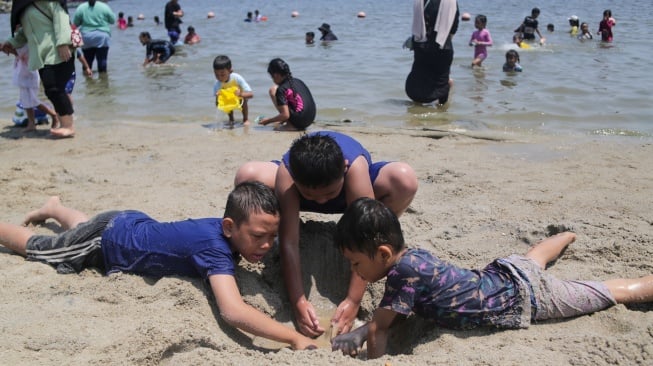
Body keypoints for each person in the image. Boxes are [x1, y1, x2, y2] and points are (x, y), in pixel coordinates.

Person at [0, 182, 318, 351]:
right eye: (259, 236)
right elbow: (233, 311)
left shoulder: (225, 233)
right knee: (39, 248)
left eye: (272, 237)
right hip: (109, 242)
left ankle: (55, 207)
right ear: (229, 227)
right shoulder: (215, 249)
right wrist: (292, 338)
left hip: (128, 222)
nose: (266, 245)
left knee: (85, 227)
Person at [331, 198, 653, 360]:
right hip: (503, 273)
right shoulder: (414, 259)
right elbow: (395, 313)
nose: (356, 273)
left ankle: (643, 283)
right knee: (532, 259)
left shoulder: (402, 276)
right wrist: (361, 331)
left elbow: (380, 328)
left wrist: (372, 355)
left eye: (356, 263)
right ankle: (565, 236)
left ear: (384, 254)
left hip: (524, 297)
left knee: (611, 292)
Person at [234, 131, 418, 338]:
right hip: (300, 192)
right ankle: (291, 211)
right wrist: (298, 301)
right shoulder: (289, 174)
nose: (321, 201)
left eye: (328, 194)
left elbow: (365, 238)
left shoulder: (354, 169)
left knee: (404, 178)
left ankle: (380, 222)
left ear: (345, 168)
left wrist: (353, 300)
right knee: (247, 175)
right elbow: (290, 243)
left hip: (348, 194)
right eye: (313, 196)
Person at [3, 0, 76, 138]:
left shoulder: (49, 2)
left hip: (58, 50)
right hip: (41, 55)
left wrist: (62, 42)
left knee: (54, 88)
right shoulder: (24, 8)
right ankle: (64, 124)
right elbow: (25, 33)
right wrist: (10, 42)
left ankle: (68, 126)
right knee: (51, 89)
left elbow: (61, 18)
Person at [405, 0, 459, 105]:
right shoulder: (451, 2)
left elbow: (420, 22)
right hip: (442, 45)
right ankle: (442, 112)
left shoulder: (420, 1)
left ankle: (416, 111)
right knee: (442, 80)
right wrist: (445, 40)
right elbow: (454, 25)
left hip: (421, 44)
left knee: (419, 77)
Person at [10, 43, 59, 132]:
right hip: (22, 75)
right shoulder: (17, 40)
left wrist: (6, 47)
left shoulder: (28, 41)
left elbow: (19, 53)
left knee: (33, 101)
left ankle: (54, 115)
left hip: (31, 74)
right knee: (25, 101)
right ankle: (31, 123)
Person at [258, 58, 316, 131]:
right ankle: (285, 120)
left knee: (276, 129)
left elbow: (285, 115)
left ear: (276, 75)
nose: (272, 79)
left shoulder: (281, 89)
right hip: (310, 119)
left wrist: (268, 121)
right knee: (275, 91)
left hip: (300, 122)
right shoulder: (298, 81)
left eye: (272, 77)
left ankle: (290, 125)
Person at [73, 0, 116, 74]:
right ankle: (103, 81)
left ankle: (88, 81)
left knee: (87, 61)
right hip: (102, 37)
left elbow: (75, 24)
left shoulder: (81, 8)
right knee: (102, 60)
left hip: (86, 38)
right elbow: (112, 20)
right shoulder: (104, 7)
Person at [212, 55, 253, 126]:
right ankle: (231, 119)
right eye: (216, 75)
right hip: (228, 100)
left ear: (230, 71)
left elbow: (251, 94)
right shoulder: (217, 84)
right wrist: (218, 96)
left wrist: (241, 94)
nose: (219, 78)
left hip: (240, 97)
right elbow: (217, 102)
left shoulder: (237, 78)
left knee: (244, 99)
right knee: (222, 100)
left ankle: (245, 119)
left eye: (222, 74)